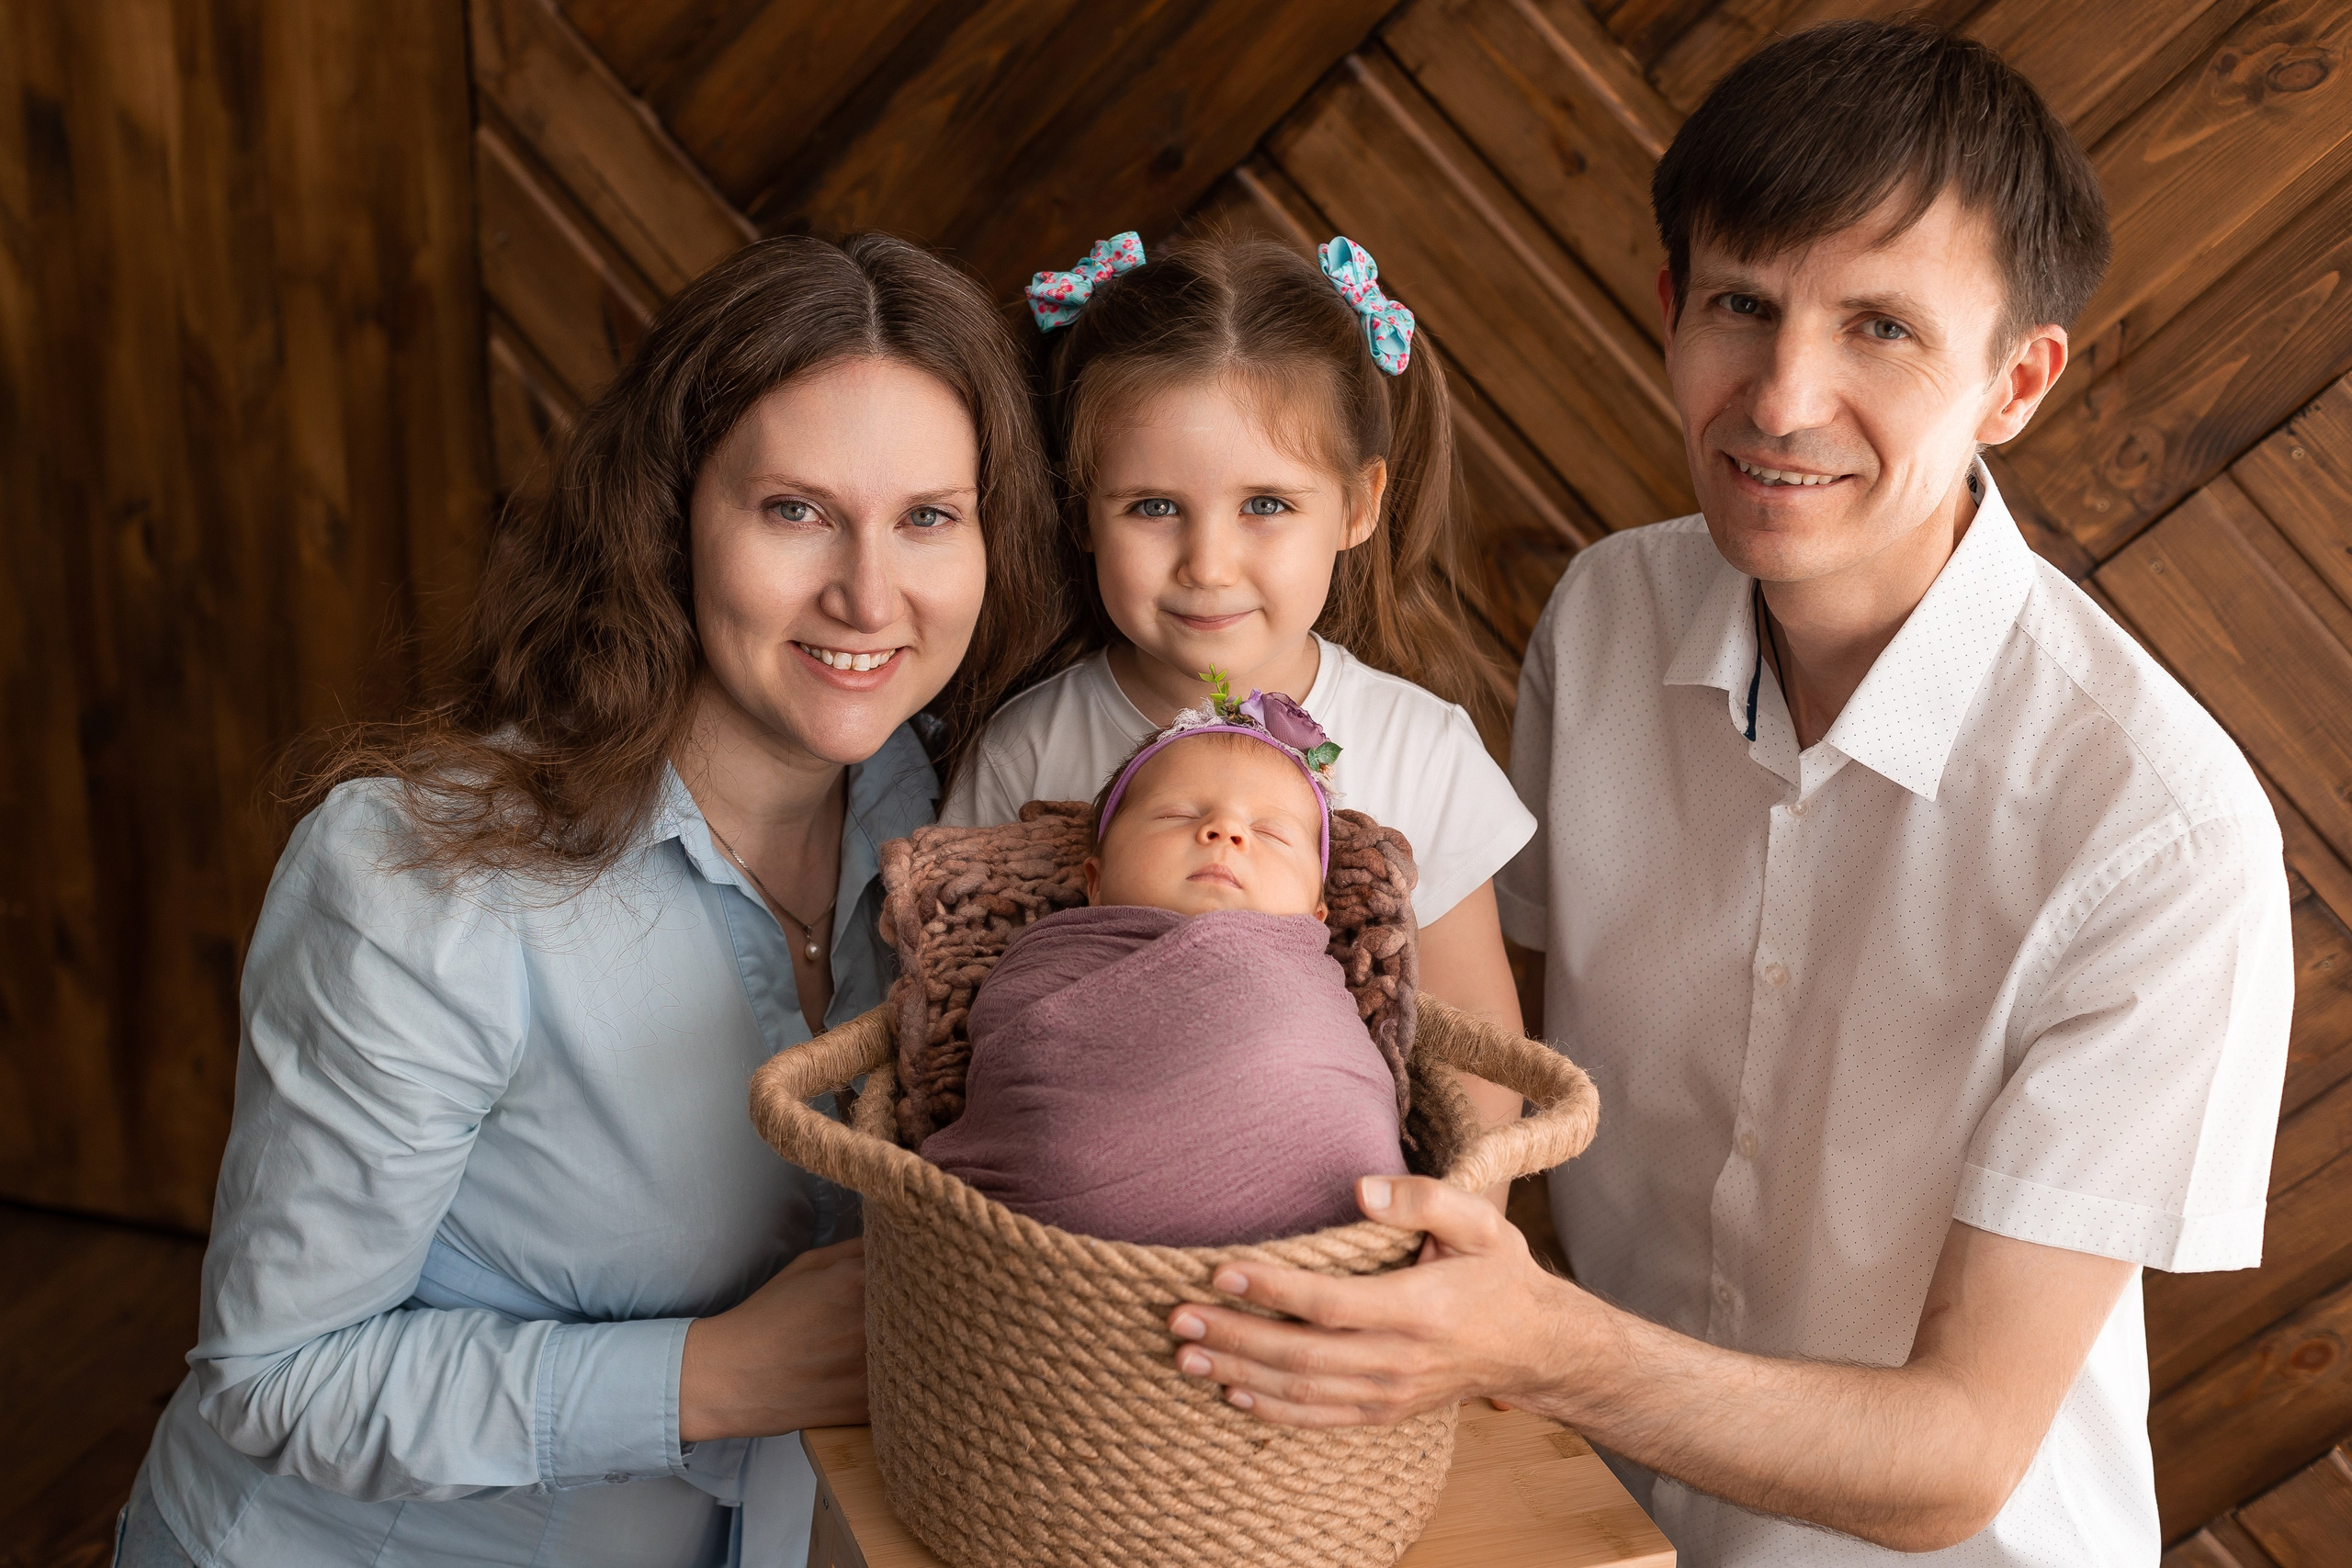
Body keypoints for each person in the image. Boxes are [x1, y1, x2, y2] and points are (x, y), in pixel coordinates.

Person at [1158, 21, 2293, 1565]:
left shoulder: (2160, 831)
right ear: (1670, 309)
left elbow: (1963, 1454)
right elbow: (1505, 1075)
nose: (1779, 397)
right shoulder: (1606, 619)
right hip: (1579, 1523)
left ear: (2014, 382)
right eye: (1744, 306)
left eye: (1880, 328)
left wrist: (1536, 1345)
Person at [114, 234, 1058, 1568]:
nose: (868, 590)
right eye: (794, 509)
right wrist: (716, 1374)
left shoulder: (972, 828)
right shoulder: (416, 878)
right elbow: (275, 1374)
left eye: (927, 516)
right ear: (668, 515)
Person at [939, 229, 1533, 1145]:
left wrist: (1449, 1235)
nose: (1207, 565)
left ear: (1358, 506)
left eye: (1266, 505)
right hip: (1068, 1237)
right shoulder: (1027, 749)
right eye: (1152, 507)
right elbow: (955, 1021)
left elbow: (1481, 1064)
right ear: (1080, 512)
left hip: (1346, 1233)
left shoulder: (1424, 751)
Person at [922, 691, 1408, 1246]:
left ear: (1315, 917)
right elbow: (1020, 1055)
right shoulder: (1054, 958)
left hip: (1327, 1233)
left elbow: (1341, 1093)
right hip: (1048, 1248)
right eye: (1178, 814)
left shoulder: (1313, 985)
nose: (1226, 832)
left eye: (1272, 833)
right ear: (1096, 879)